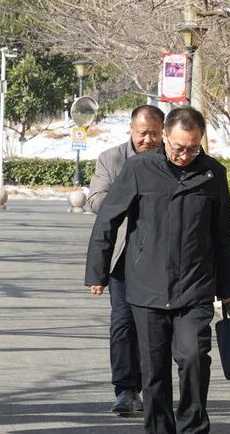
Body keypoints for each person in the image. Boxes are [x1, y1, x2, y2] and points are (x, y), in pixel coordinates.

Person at [85, 106, 230, 434]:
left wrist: (227, 286)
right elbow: (108, 219)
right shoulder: (139, 169)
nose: (185, 155)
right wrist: (97, 270)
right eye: (179, 147)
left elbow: (223, 233)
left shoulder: (213, 173)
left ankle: (193, 427)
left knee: (194, 357)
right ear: (165, 137)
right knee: (154, 371)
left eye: (193, 148)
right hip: (147, 286)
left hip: (194, 286)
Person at [86, 105, 164, 416]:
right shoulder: (112, 159)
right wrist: (130, 199)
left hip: (160, 257)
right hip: (122, 256)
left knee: (154, 326)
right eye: (142, 133)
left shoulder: (171, 159)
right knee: (123, 322)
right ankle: (125, 389)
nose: (148, 140)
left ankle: (152, 388)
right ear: (131, 130)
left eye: (154, 134)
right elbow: (95, 200)